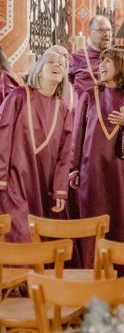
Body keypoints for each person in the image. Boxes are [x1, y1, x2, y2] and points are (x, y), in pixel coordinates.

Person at [70, 47, 124, 266]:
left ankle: (122, 272)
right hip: (91, 171)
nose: (102, 65)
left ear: (122, 66)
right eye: (102, 61)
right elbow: (77, 133)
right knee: (92, 220)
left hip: (120, 173)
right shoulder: (89, 95)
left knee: (121, 220)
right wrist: (74, 167)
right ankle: (92, 269)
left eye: (108, 62)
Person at [0, 50, 73, 242]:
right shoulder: (18, 97)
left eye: (61, 63)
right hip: (14, 181)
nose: (57, 65)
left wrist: (59, 189)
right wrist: (1, 177)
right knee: (19, 235)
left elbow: (65, 154)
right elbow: (3, 135)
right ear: (39, 70)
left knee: (38, 234)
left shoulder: (64, 108)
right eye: (51, 61)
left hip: (43, 183)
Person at [68, 15, 113, 100]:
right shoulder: (76, 58)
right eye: (101, 30)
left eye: (109, 30)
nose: (107, 34)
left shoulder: (118, 59)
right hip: (83, 108)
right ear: (89, 32)